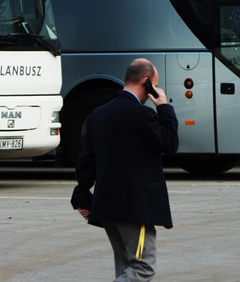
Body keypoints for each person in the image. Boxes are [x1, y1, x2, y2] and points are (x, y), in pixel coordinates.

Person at [71, 58, 179, 282]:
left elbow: (86, 161)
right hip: (134, 208)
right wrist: (164, 107)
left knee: (125, 267)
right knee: (142, 267)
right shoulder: (141, 115)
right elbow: (169, 143)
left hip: (107, 206)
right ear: (146, 82)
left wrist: (81, 196)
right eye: (155, 84)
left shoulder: (98, 115)